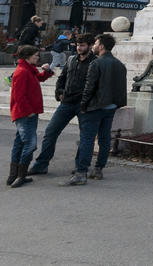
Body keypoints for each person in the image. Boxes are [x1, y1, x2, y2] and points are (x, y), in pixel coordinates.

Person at [28, 34, 96, 175]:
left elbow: (96, 86)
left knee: (85, 137)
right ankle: (41, 164)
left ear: (90, 46)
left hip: (84, 105)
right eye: (78, 45)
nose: (79, 48)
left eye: (82, 45)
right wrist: (59, 91)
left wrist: (87, 101)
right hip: (67, 102)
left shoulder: (95, 62)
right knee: (50, 132)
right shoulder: (71, 60)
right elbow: (62, 78)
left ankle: (81, 168)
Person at [65, 33, 127, 185]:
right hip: (110, 106)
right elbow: (121, 88)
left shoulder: (97, 63)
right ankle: (98, 169)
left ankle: (81, 172)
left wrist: (84, 105)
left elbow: (89, 87)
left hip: (95, 106)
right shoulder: (120, 64)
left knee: (87, 138)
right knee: (105, 138)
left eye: (95, 44)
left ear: (101, 46)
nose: (93, 46)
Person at [7, 45, 53, 188]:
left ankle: (14, 175)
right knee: (30, 144)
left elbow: (38, 78)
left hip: (26, 113)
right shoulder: (22, 72)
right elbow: (19, 96)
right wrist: (28, 111)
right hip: (25, 114)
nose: (38, 57)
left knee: (20, 143)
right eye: (35, 55)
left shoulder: (28, 69)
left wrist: (46, 71)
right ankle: (20, 176)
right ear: (27, 57)